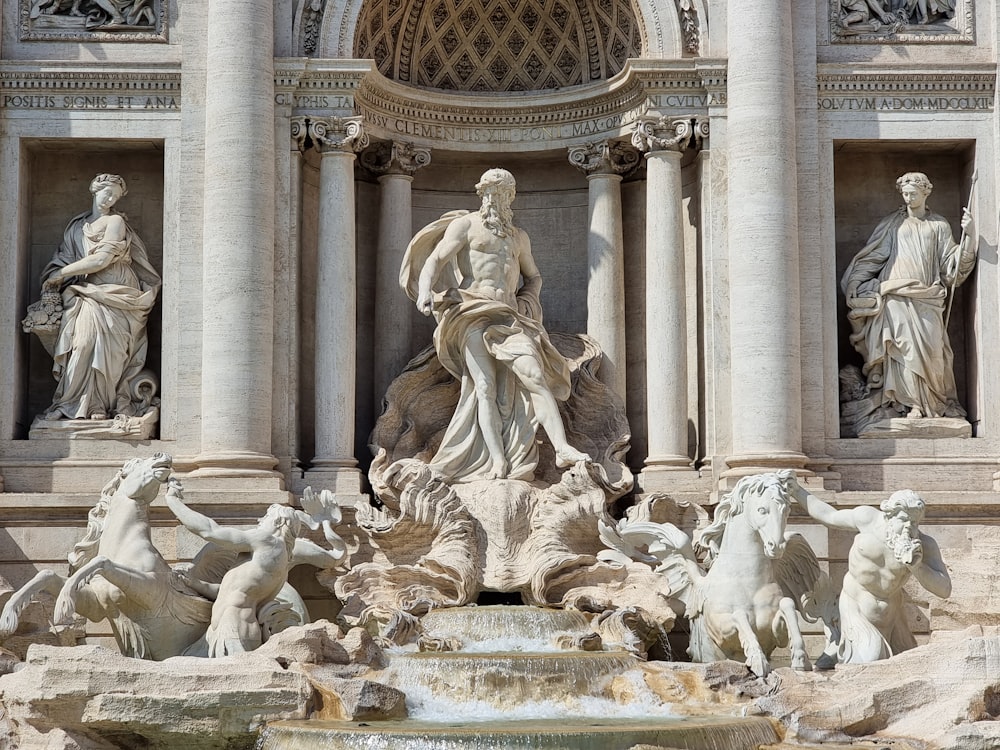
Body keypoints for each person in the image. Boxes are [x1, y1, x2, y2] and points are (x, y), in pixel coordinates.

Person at [400, 168, 590, 482]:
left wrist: (529, 301)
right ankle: (497, 462)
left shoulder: (518, 237)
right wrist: (424, 291)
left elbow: (535, 276)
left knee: (535, 376)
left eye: (502, 193)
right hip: (472, 310)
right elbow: (435, 260)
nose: (495, 198)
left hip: (510, 316)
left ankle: (562, 448)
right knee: (484, 387)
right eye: (490, 191)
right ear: (481, 193)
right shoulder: (466, 225)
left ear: (511, 197)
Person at [841, 172, 975, 421]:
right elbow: (872, 257)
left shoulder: (939, 225)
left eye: (914, 193)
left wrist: (970, 238)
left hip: (928, 297)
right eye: (905, 193)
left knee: (934, 353)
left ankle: (933, 404)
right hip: (895, 295)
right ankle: (906, 405)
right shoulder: (893, 224)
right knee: (902, 351)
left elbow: (952, 268)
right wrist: (855, 282)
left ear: (926, 192)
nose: (909, 197)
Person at [164, 480, 346, 656]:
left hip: (234, 629)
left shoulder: (266, 541)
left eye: (265, 517)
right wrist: (195, 584)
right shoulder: (284, 557)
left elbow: (210, 530)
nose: (260, 521)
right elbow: (336, 557)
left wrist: (173, 501)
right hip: (226, 629)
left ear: (278, 522)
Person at [37, 174, 160, 421]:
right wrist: (57, 273)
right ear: (95, 190)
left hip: (119, 293)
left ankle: (100, 407)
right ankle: (71, 403)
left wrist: (61, 274)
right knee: (82, 344)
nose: (111, 199)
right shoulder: (76, 226)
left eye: (116, 195)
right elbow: (64, 257)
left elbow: (101, 260)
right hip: (87, 293)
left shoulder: (115, 222)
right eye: (108, 193)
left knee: (111, 352)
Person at [788, 478, 951, 665]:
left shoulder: (924, 545)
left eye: (915, 523)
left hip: (892, 615)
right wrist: (797, 491)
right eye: (904, 520)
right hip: (855, 606)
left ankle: (839, 649)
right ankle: (841, 640)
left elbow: (944, 589)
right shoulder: (868, 519)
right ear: (889, 515)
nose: (909, 528)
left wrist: (917, 567)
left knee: (908, 665)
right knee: (869, 661)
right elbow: (829, 516)